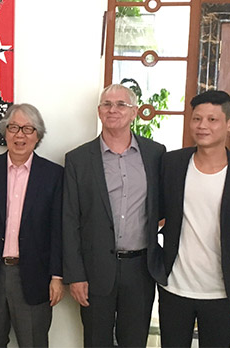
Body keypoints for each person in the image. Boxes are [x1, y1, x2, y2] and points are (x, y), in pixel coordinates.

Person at [158, 90, 230, 348]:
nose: (202, 126)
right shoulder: (171, 163)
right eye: (197, 119)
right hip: (175, 286)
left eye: (212, 119)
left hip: (221, 291)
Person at [63, 83, 166, 347]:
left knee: (134, 340)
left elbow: (166, 204)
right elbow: (70, 220)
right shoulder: (78, 159)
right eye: (107, 104)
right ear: (99, 112)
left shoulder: (156, 154)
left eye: (121, 104)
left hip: (140, 269)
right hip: (95, 269)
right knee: (96, 341)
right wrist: (75, 275)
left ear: (134, 112)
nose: (113, 110)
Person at [0, 104, 64, 347]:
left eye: (28, 129)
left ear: (38, 135)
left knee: (34, 342)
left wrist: (57, 276)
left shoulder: (53, 175)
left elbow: (58, 231)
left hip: (34, 276)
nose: (20, 135)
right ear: (5, 132)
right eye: (14, 128)